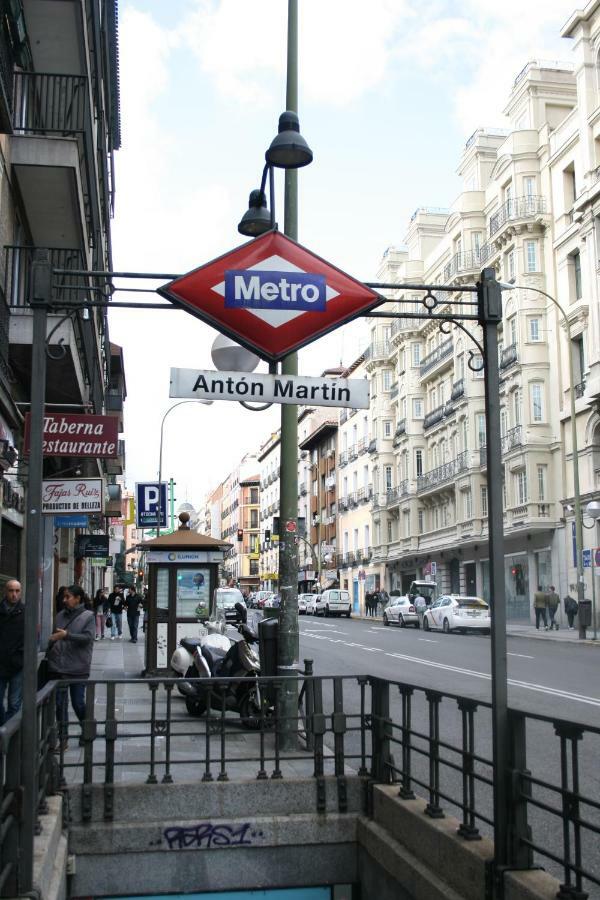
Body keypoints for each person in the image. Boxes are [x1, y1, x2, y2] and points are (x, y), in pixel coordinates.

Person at [46, 584, 95, 748]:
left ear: (78, 598)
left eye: (68, 597)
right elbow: (54, 636)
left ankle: (87, 728)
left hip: (77, 667)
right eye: (64, 597)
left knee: (78, 702)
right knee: (60, 704)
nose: (64, 600)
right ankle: (63, 738)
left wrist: (67, 635)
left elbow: (88, 638)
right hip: (58, 666)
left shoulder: (88, 616)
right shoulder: (60, 616)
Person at [0, 580, 24, 724]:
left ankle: (8, 738)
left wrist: (21, 656)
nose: (14, 594)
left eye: (17, 591)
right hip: (1, 664)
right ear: (5, 591)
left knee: (14, 703)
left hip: (17, 665)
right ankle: (4, 732)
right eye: (11, 591)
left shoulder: (26, 612)